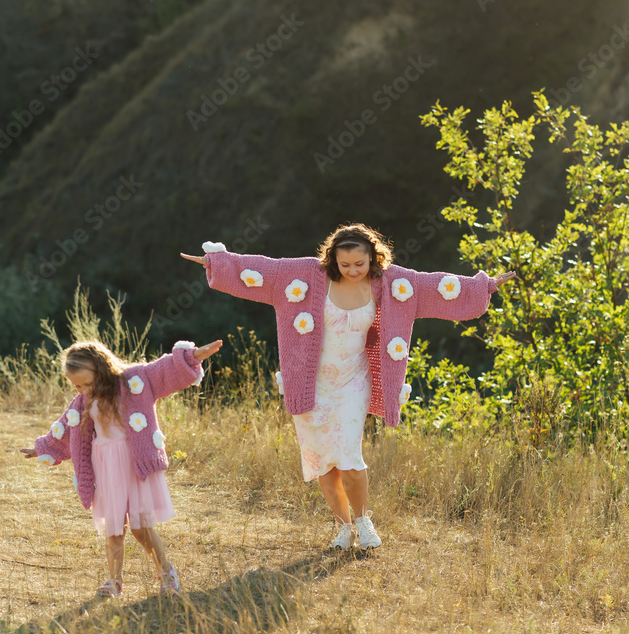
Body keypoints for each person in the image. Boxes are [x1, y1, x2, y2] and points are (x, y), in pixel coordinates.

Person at [181, 224, 514, 551]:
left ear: (373, 258)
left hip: (354, 382)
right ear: (332, 260)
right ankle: (343, 528)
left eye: (359, 263)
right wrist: (216, 263)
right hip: (310, 384)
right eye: (345, 265)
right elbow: (262, 270)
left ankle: (364, 521)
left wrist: (481, 287)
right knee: (323, 464)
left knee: (349, 459)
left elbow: (436, 287)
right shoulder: (308, 275)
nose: (353, 270)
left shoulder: (392, 283)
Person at [20, 337, 222, 597]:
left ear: (101, 369)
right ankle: (114, 581)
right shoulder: (82, 402)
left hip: (133, 463)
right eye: (77, 385)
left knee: (140, 527)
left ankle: (166, 572)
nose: (83, 390)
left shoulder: (133, 382)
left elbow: (163, 371)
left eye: (87, 383)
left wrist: (191, 357)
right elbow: (66, 429)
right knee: (113, 529)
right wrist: (42, 448)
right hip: (106, 467)